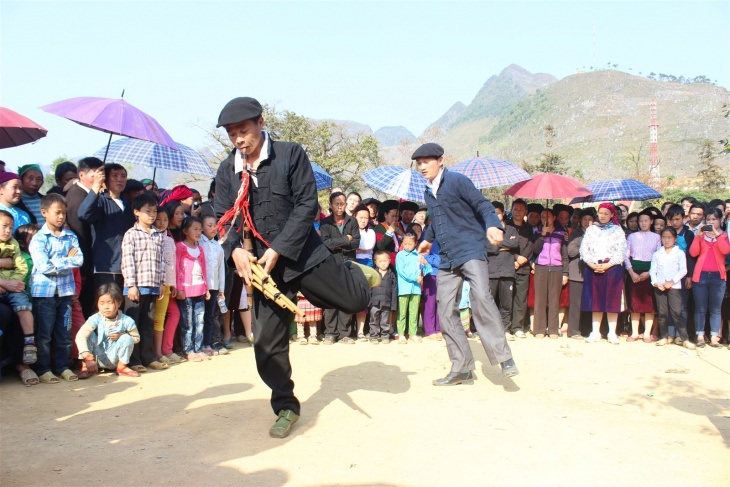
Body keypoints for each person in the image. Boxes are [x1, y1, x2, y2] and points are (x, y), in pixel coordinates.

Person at [214, 96, 373, 438]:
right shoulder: (229, 170)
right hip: (264, 269)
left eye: (243, 130)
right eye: (232, 134)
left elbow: (306, 205)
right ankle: (286, 405)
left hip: (305, 255)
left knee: (355, 302)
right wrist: (236, 253)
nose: (239, 139)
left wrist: (279, 248)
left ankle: (354, 271)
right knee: (266, 346)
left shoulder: (290, 153)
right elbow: (222, 220)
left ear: (260, 122)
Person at [414, 142, 517, 385]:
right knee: (445, 310)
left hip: (470, 249)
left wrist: (493, 224)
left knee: (481, 296)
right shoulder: (428, 191)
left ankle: (504, 358)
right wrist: (428, 240)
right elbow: (436, 220)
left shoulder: (458, 181)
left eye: (426, 161)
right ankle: (461, 367)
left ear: (440, 160)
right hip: (448, 258)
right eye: (418, 163)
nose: (422, 167)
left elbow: (482, 204)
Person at [29, 193, 84, 383]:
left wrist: (57, 262)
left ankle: (62, 367)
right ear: (44, 212)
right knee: (43, 334)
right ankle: (44, 369)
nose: (61, 217)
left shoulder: (70, 236)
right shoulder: (38, 239)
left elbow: (79, 259)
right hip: (44, 293)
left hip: (65, 292)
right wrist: (66, 260)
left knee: (64, 332)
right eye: (57, 213)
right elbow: (43, 266)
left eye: (64, 213)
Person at [120, 193, 167, 372]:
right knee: (133, 325)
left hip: (153, 286)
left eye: (154, 211)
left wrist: (161, 283)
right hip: (136, 287)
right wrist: (131, 284)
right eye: (148, 211)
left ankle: (149, 357)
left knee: (148, 323)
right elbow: (127, 261)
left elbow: (161, 260)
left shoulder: (158, 235)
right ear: (136, 212)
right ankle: (133, 360)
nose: (152, 215)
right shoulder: (131, 234)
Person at [78, 163, 136, 292]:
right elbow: (83, 215)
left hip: (128, 267)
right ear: (106, 179)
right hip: (106, 266)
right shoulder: (100, 200)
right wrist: (96, 187)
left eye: (123, 176)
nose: (120, 179)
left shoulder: (127, 203)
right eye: (114, 176)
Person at [579, 203, 627, 344]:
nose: (603, 216)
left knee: (612, 301)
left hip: (612, 268)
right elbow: (584, 249)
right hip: (593, 267)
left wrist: (607, 265)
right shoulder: (592, 229)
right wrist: (591, 263)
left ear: (612, 215)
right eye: (601, 213)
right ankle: (595, 332)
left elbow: (622, 252)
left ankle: (612, 333)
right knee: (596, 300)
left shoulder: (618, 230)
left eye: (606, 213)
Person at [65, 157, 105, 318]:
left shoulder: (90, 195)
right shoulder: (76, 197)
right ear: (81, 175)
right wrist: (83, 268)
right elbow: (80, 234)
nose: (98, 179)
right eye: (94, 175)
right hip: (82, 263)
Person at [76, 283, 141, 379]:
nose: (106, 307)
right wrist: (87, 357)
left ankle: (122, 367)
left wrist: (122, 336)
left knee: (127, 337)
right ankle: (85, 367)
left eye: (110, 302)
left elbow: (136, 338)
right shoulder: (95, 318)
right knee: (87, 334)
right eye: (102, 303)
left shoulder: (127, 320)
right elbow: (80, 336)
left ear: (119, 303)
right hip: (94, 360)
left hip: (115, 358)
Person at [320, 191, 361, 344]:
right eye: (336, 203)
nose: (339, 206)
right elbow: (325, 244)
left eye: (342, 203)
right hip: (331, 263)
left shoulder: (352, 221)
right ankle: (330, 332)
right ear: (330, 205)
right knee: (331, 298)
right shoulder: (325, 223)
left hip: (349, 262)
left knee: (346, 297)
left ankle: (345, 333)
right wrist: (345, 239)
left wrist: (336, 243)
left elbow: (355, 243)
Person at [689, 207, 730, 348]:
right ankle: (700, 335)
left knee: (715, 309)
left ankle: (714, 337)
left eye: (714, 219)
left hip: (718, 276)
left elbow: (725, 250)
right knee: (700, 308)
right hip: (700, 276)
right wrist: (698, 236)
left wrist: (717, 234)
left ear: (720, 220)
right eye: (709, 219)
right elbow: (693, 253)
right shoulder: (701, 236)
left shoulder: (723, 235)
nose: (711, 222)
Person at [0, 210, 36, 363]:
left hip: (13, 286)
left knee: (24, 307)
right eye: (4, 226)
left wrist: (12, 283)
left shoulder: (13, 244)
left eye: (11, 227)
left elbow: (21, 266)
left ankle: (29, 342)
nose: (8, 230)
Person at [650, 227, 692, 349]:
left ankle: (684, 338)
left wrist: (672, 281)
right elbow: (653, 270)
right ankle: (664, 337)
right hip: (660, 287)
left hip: (674, 286)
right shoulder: (657, 253)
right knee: (662, 313)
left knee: (677, 312)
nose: (666, 240)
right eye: (664, 237)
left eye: (669, 237)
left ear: (675, 239)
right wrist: (656, 282)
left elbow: (683, 270)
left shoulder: (679, 253)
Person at [174, 216, 210, 361]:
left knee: (199, 320)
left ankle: (198, 347)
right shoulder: (180, 247)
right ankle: (188, 350)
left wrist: (206, 288)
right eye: (194, 229)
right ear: (185, 230)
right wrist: (179, 287)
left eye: (200, 230)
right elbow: (176, 268)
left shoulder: (200, 249)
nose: (198, 232)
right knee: (187, 323)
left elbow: (204, 269)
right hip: (186, 291)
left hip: (200, 290)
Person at [624, 210, 661, 342]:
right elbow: (626, 256)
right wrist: (631, 272)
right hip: (634, 272)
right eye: (641, 221)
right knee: (634, 303)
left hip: (649, 272)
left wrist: (650, 273)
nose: (643, 223)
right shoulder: (632, 237)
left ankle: (647, 333)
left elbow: (658, 257)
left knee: (649, 305)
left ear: (651, 221)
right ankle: (634, 332)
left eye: (646, 220)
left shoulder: (657, 237)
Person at [532, 208, 569, 339]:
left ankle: (553, 329)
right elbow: (535, 250)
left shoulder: (561, 233)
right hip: (541, 268)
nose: (545, 219)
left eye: (548, 217)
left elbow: (565, 255)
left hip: (557, 268)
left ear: (554, 217)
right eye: (542, 217)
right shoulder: (537, 232)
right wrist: (542, 235)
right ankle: (539, 329)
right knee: (540, 300)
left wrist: (565, 272)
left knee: (554, 300)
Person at [152, 206, 181, 364]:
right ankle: (159, 352)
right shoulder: (154, 239)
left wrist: (175, 284)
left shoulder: (170, 240)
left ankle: (166, 349)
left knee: (173, 314)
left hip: (170, 286)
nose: (162, 223)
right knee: (159, 318)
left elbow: (173, 264)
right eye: (159, 219)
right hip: (159, 286)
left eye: (165, 220)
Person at [486, 201, 519, 338]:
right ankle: (488, 330)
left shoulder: (511, 229)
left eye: (498, 212)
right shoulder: (486, 230)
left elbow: (514, 243)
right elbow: (487, 247)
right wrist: (504, 246)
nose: (495, 215)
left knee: (506, 304)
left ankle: (504, 329)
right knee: (489, 303)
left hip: (507, 271)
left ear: (503, 213)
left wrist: (496, 245)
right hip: (491, 271)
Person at [665, 204, 695, 343]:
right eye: (672, 219)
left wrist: (689, 275)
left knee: (682, 307)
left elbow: (691, 256)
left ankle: (680, 334)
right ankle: (670, 333)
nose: (675, 222)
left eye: (678, 219)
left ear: (683, 218)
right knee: (670, 306)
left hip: (683, 276)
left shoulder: (688, 234)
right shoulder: (667, 233)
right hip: (668, 275)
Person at [396, 231, 431, 344]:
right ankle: (401, 334)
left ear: (416, 243)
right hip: (404, 288)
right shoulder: (400, 255)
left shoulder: (418, 255)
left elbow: (428, 270)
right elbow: (401, 272)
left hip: (416, 289)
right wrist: (414, 278)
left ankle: (412, 333)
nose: (407, 246)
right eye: (405, 244)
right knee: (402, 312)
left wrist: (425, 263)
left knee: (414, 312)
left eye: (410, 244)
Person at [506, 199, 534, 339]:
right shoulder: (506, 226)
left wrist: (523, 259)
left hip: (523, 268)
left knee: (521, 298)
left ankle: (517, 327)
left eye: (520, 210)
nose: (517, 212)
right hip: (507, 266)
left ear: (525, 212)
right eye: (515, 209)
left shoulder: (528, 228)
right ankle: (505, 326)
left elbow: (531, 245)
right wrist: (515, 258)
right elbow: (504, 245)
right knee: (506, 298)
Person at [200, 215, 227, 356]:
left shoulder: (218, 246)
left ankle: (211, 342)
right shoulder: (199, 243)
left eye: (215, 226)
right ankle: (199, 344)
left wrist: (221, 290)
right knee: (199, 316)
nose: (213, 228)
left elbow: (221, 270)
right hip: (200, 287)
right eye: (209, 225)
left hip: (215, 287)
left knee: (212, 316)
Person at [567, 208, 595, 339]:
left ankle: (587, 330)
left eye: (590, 219)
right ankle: (573, 331)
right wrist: (585, 247)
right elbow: (571, 251)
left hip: (592, 272)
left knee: (589, 303)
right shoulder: (576, 233)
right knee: (576, 303)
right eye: (584, 219)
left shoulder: (597, 233)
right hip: (576, 272)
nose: (587, 222)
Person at [354, 204, 375, 341]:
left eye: (366, 218)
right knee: (352, 295)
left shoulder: (371, 232)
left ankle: (361, 331)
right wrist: (358, 249)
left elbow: (369, 246)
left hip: (367, 264)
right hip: (354, 263)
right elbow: (354, 247)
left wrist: (357, 248)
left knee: (364, 297)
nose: (363, 220)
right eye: (360, 217)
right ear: (354, 217)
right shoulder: (350, 230)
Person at [368, 250, 398, 344]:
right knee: (374, 319)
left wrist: (393, 304)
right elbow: (369, 288)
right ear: (375, 262)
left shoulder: (391, 275)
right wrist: (369, 302)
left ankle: (385, 335)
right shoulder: (373, 274)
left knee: (385, 320)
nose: (383, 263)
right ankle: (374, 336)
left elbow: (394, 290)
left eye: (385, 261)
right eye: (380, 261)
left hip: (386, 301)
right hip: (375, 301)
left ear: (389, 261)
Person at [374, 199, 402, 266]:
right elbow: (380, 246)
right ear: (386, 215)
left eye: (397, 216)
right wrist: (389, 231)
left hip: (399, 260)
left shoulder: (399, 227)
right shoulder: (379, 228)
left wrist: (401, 234)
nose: (395, 219)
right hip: (387, 262)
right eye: (392, 216)